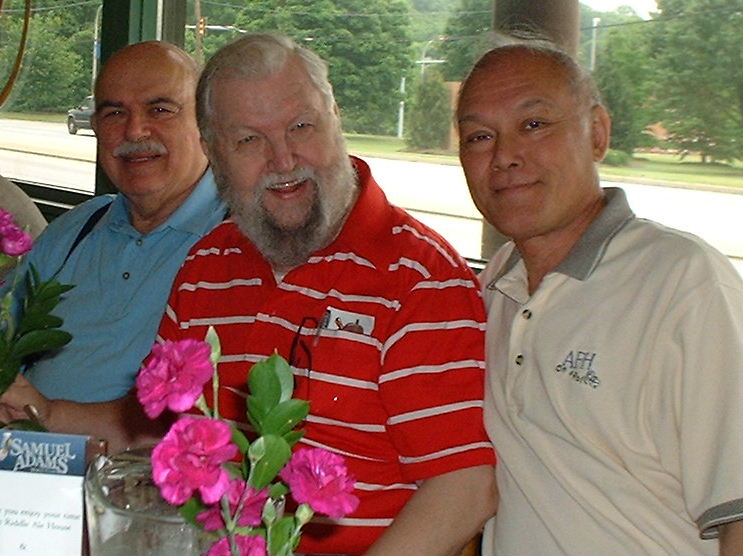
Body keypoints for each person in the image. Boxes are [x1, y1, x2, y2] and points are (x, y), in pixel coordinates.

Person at [455, 35, 743, 556]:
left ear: (597, 133)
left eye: (534, 124)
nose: (505, 156)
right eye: (480, 137)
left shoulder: (683, 281)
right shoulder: (493, 289)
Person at [154, 33, 496, 555]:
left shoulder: (420, 280)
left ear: (335, 117)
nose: (283, 159)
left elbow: (465, 487)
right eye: (248, 140)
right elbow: (171, 443)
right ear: (211, 150)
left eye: (301, 127)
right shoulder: (205, 267)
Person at [0, 41, 227, 445]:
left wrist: (48, 418)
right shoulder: (77, 230)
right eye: (114, 113)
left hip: (140, 476)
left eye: (160, 110)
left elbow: (206, 419)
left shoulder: (241, 242)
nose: (135, 131)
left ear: (207, 124)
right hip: (25, 462)